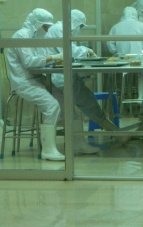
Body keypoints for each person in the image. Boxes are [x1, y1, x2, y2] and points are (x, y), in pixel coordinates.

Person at [45, 9, 119, 154]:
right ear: (75, 22)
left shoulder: (61, 29)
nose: (80, 30)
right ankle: (84, 141)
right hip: (59, 77)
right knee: (82, 103)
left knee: (81, 103)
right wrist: (85, 50)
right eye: (80, 26)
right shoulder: (59, 29)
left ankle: (104, 132)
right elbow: (68, 50)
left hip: (64, 75)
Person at [5, 8, 65, 161]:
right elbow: (29, 62)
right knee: (52, 106)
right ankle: (48, 150)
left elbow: (41, 57)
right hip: (23, 82)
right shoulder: (22, 35)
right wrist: (54, 57)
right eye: (45, 26)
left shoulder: (35, 36)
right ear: (36, 24)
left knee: (63, 97)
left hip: (35, 79)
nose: (46, 29)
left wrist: (53, 59)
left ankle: (76, 142)